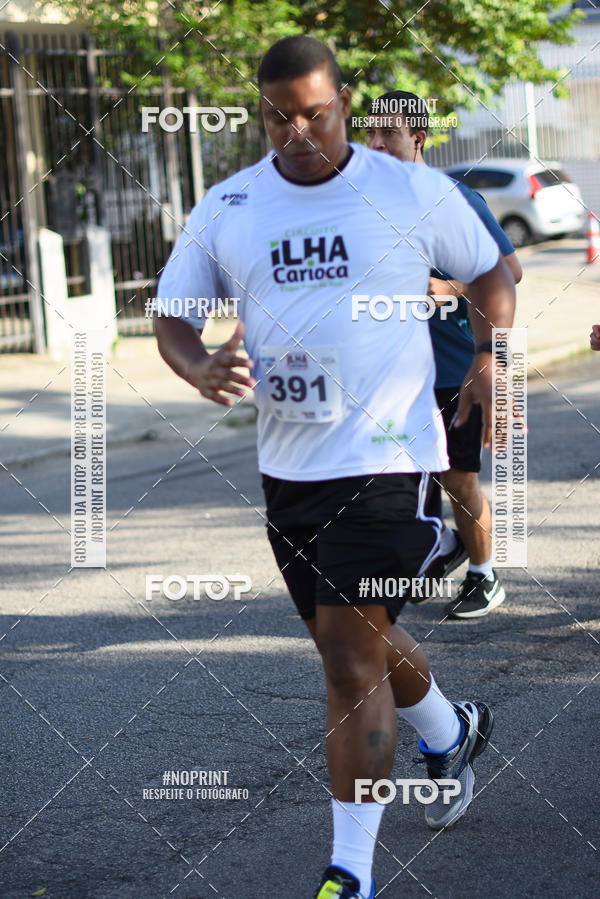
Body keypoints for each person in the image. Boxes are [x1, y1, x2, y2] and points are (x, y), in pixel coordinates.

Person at [154, 36, 516, 899]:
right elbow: (174, 312)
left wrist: (490, 357)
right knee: (351, 637)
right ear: (262, 113)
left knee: (349, 657)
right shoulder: (231, 204)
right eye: (281, 115)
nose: (299, 130)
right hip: (290, 470)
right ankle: (450, 728)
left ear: (342, 102)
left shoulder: (408, 189)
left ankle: (347, 873)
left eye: (315, 111)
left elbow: (493, 271)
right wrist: (198, 364)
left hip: (393, 458)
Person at [366, 92, 522, 619]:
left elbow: (509, 272)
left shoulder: (452, 199)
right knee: (398, 475)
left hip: (455, 363)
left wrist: (451, 286)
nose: (376, 142)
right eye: (370, 132)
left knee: (458, 477)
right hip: (394, 368)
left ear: (419, 138)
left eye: (389, 132)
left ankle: (484, 573)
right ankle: (441, 545)